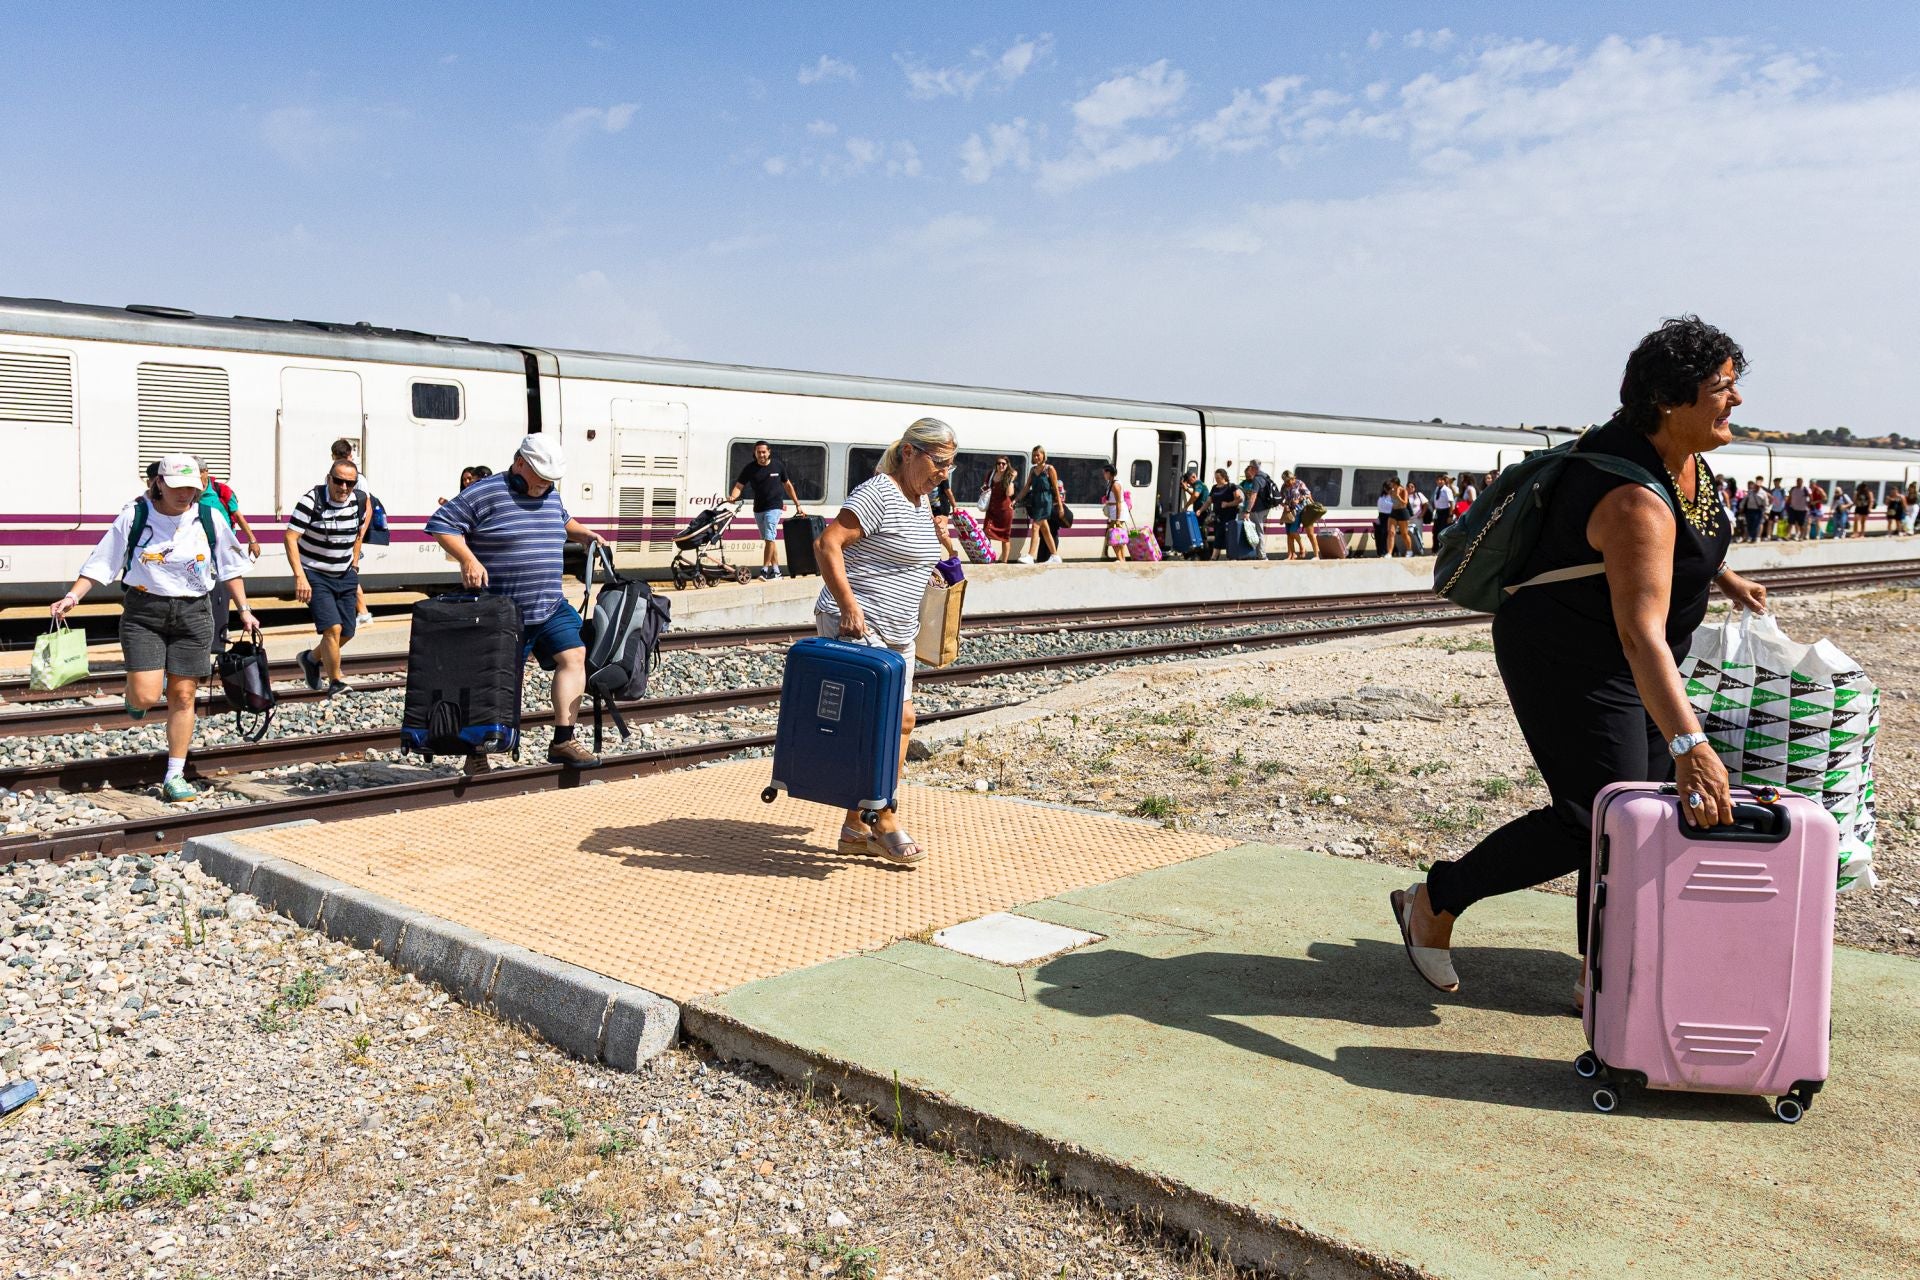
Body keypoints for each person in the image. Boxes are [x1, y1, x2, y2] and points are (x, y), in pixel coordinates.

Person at [1392, 316, 1768, 1004]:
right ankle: (1435, 901)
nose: (1736, 400)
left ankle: (1601, 969)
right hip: (1571, 656)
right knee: (1595, 814)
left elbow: (1685, 541)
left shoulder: (1684, 460)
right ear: (1669, 399)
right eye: (1722, 387)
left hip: (1634, 656)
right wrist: (1692, 744)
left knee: (1638, 814)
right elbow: (1639, 633)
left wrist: (1725, 578)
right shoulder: (1630, 497)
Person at [49, 454, 259, 803]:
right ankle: (138, 695)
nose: (184, 494)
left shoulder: (209, 517)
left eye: (192, 487)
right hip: (144, 612)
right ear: (159, 483)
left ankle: (174, 775)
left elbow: (229, 567)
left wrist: (245, 610)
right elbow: (104, 558)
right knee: (146, 696)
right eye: (177, 486)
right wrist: (73, 596)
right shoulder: (136, 515)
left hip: (194, 612)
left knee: (183, 695)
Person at [814, 417, 954, 866]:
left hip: (900, 631)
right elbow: (827, 544)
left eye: (952, 465)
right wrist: (849, 607)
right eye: (940, 463)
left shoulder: (921, 498)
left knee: (901, 724)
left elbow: (901, 552)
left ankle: (856, 827)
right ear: (910, 453)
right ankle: (883, 818)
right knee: (892, 720)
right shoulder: (879, 493)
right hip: (858, 622)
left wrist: (930, 566)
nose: (945, 474)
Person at [424, 435, 612, 771]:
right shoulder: (486, 491)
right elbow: (442, 524)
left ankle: (563, 740)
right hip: (502, 610)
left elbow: (563, 520)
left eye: (550, 479)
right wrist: (468, 559)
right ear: (520, 462)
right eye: (539, 475)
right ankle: (477, 751)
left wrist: (584, 535)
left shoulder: (549, 493)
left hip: (549, 603)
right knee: (497, 680)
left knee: (575, 655)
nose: (544, 484)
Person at [286, 456, 373, 696]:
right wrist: (300, 576)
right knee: (332, 629)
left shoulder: (359, 500)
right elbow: (290, 538)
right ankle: (337, 681)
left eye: (350, 483)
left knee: (347, 631)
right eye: (339, 481)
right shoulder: (311, 501)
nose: (344, 487)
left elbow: (358, 534)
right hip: (315, 573)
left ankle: (311, 659)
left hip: (345, 574)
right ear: (329, 479)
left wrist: (354, 565)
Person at [197, 462, 260, 653]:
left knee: (221, 595)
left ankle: (218, 640)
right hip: (199, 553)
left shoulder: (221, 490)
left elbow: (238, 516)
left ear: (206, 472)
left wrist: (252, 539)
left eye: (198, 473)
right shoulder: (189, 494)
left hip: (222, 550)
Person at [726, 441, 806, 580]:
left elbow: (787, 485)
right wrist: (733, 496)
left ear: (769, 452)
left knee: (770, 536)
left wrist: (797, 504)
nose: (761, 455)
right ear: (755, 453)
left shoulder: (778, 466)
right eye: (758, 452)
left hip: (774, 507)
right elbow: (739, 486)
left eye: (764, 452)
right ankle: (777, 571)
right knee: (770, 539)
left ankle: (764, 570)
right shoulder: (750, 468)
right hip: (758, 509)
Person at [331, 438, 379, 625]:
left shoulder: (359, 479)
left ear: (351, 456)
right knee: (345, 570)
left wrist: (360, 532)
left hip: (352, 531)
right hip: (338, 531)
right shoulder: (332, 475)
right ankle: (362, 612)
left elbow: (366, 506)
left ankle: (361, 613)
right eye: (338, 458)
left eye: (344, 457)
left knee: (349, 570)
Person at [1013, 446, 1065, 565]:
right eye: (1034, 455)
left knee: (1035, 526)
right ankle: (1055, 555)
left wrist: (1060, 506)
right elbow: (1027, 487)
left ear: (1043, 455)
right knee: (1045, 530)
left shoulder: (1049, 469)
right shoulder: (1032, 470)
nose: (1036, 457)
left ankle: (1031, 556)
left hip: (1046, 501)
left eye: (1038, 455)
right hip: (1036, 502)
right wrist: (1016, 499)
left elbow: (1056, 488)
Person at [981, 457, 1017, 562]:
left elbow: (1009, 494)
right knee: (986, 533)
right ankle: (988, 557)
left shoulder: (1008, 477)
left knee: (1005, 537)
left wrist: (1011, 480)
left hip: (1004, 511)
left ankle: (1004, 561)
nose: (1001, 465)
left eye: (1003, 464)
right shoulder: (991, 474)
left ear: (1007, 465)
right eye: (999, 463)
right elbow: (985, 487)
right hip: (992, 509)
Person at [1208, 468, 1242, 558]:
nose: (1216, 479)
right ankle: (1225, 556)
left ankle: (1214, 557)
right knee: (1219, 534)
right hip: (1218, 516)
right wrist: (1200, 510)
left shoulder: (1232, 486)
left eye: (1218, 477)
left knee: (1221, 534)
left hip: (1229, 515)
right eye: (1215, 477)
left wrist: (1228, 504)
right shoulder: (1214, 488)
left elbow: (1239, 499)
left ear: (1224, 477)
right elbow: (1209, 501)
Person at [1101, 464, 1130, 562]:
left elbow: (1118, 502)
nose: (1103, 475)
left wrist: (1117, 519)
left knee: (1113, 537)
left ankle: (1121, 559)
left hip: (1118, 514)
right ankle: (1123, 559)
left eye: (1104, 473)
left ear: (1109, 473)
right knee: (1118, 537)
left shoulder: (1116, 485)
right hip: (1115, 513)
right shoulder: (1112, 483)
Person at [928, 473, 959, 559]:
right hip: (928, 508)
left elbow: (948, 491)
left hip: (941, 507)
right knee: (933, 536)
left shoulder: (941, 475)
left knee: (942, 532)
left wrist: (954, 505)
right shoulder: (922, 475)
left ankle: (952, 553)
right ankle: (936, 559)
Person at [1739, 476, 1769, 543]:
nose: (1756, 487)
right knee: (1750, 524)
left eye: (1758, 486)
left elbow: (1766, 504)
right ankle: (1750, 536)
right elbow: (1744, 500)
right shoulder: (1750, 492)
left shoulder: (1763, 493)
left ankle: (1756, 537)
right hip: (1749, 510)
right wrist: (1741, 507)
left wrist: (1766, 512)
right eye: (1756, 485)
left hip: (1758, 511)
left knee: (1757, 524)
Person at [1388, 479, 1413, 557]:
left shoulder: (1403, 491)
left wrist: (1398, 496)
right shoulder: (1391, 491)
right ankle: (1389, 553)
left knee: (1404, 534)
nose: (1391, 485)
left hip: (1403, 512)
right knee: (1391, 532)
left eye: (1392, 484)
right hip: (1394, 512)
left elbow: (1405, 502)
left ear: (1396, 484)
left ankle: (1409, 550)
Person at [1407, 481, 1430, 555]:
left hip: (1417, 518)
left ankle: (1420, 550)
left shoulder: (1418, 495)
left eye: (1412, 486)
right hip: (1408, 519)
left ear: (1415, 487)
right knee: (1409, 534)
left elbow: (1426, 504)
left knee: (1418, 534)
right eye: (1409, 486)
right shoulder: (1405, 495)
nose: (1410, 488)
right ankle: (1411, 550)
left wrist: (1422, 514)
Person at [1432, 474, 1456, 540]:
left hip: (1445, 512)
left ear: (1444, 481)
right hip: (1438, 512)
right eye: (1438, 480)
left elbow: (1451, 502)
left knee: (1443, 531)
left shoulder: (1447, 490)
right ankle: (1435, 548)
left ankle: (1443, 547)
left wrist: (1450, 516)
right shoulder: (1437, 489)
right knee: (1435, 531)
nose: (1439, 481)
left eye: (1441, 480)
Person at [1373, 481, 1395, 557]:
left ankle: (1388, 551)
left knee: (1389, 534)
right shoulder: (1382, 497)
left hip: (1390, 516)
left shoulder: (1392, 497)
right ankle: (1382, 551)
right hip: (1383, 517)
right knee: (1382, 535)